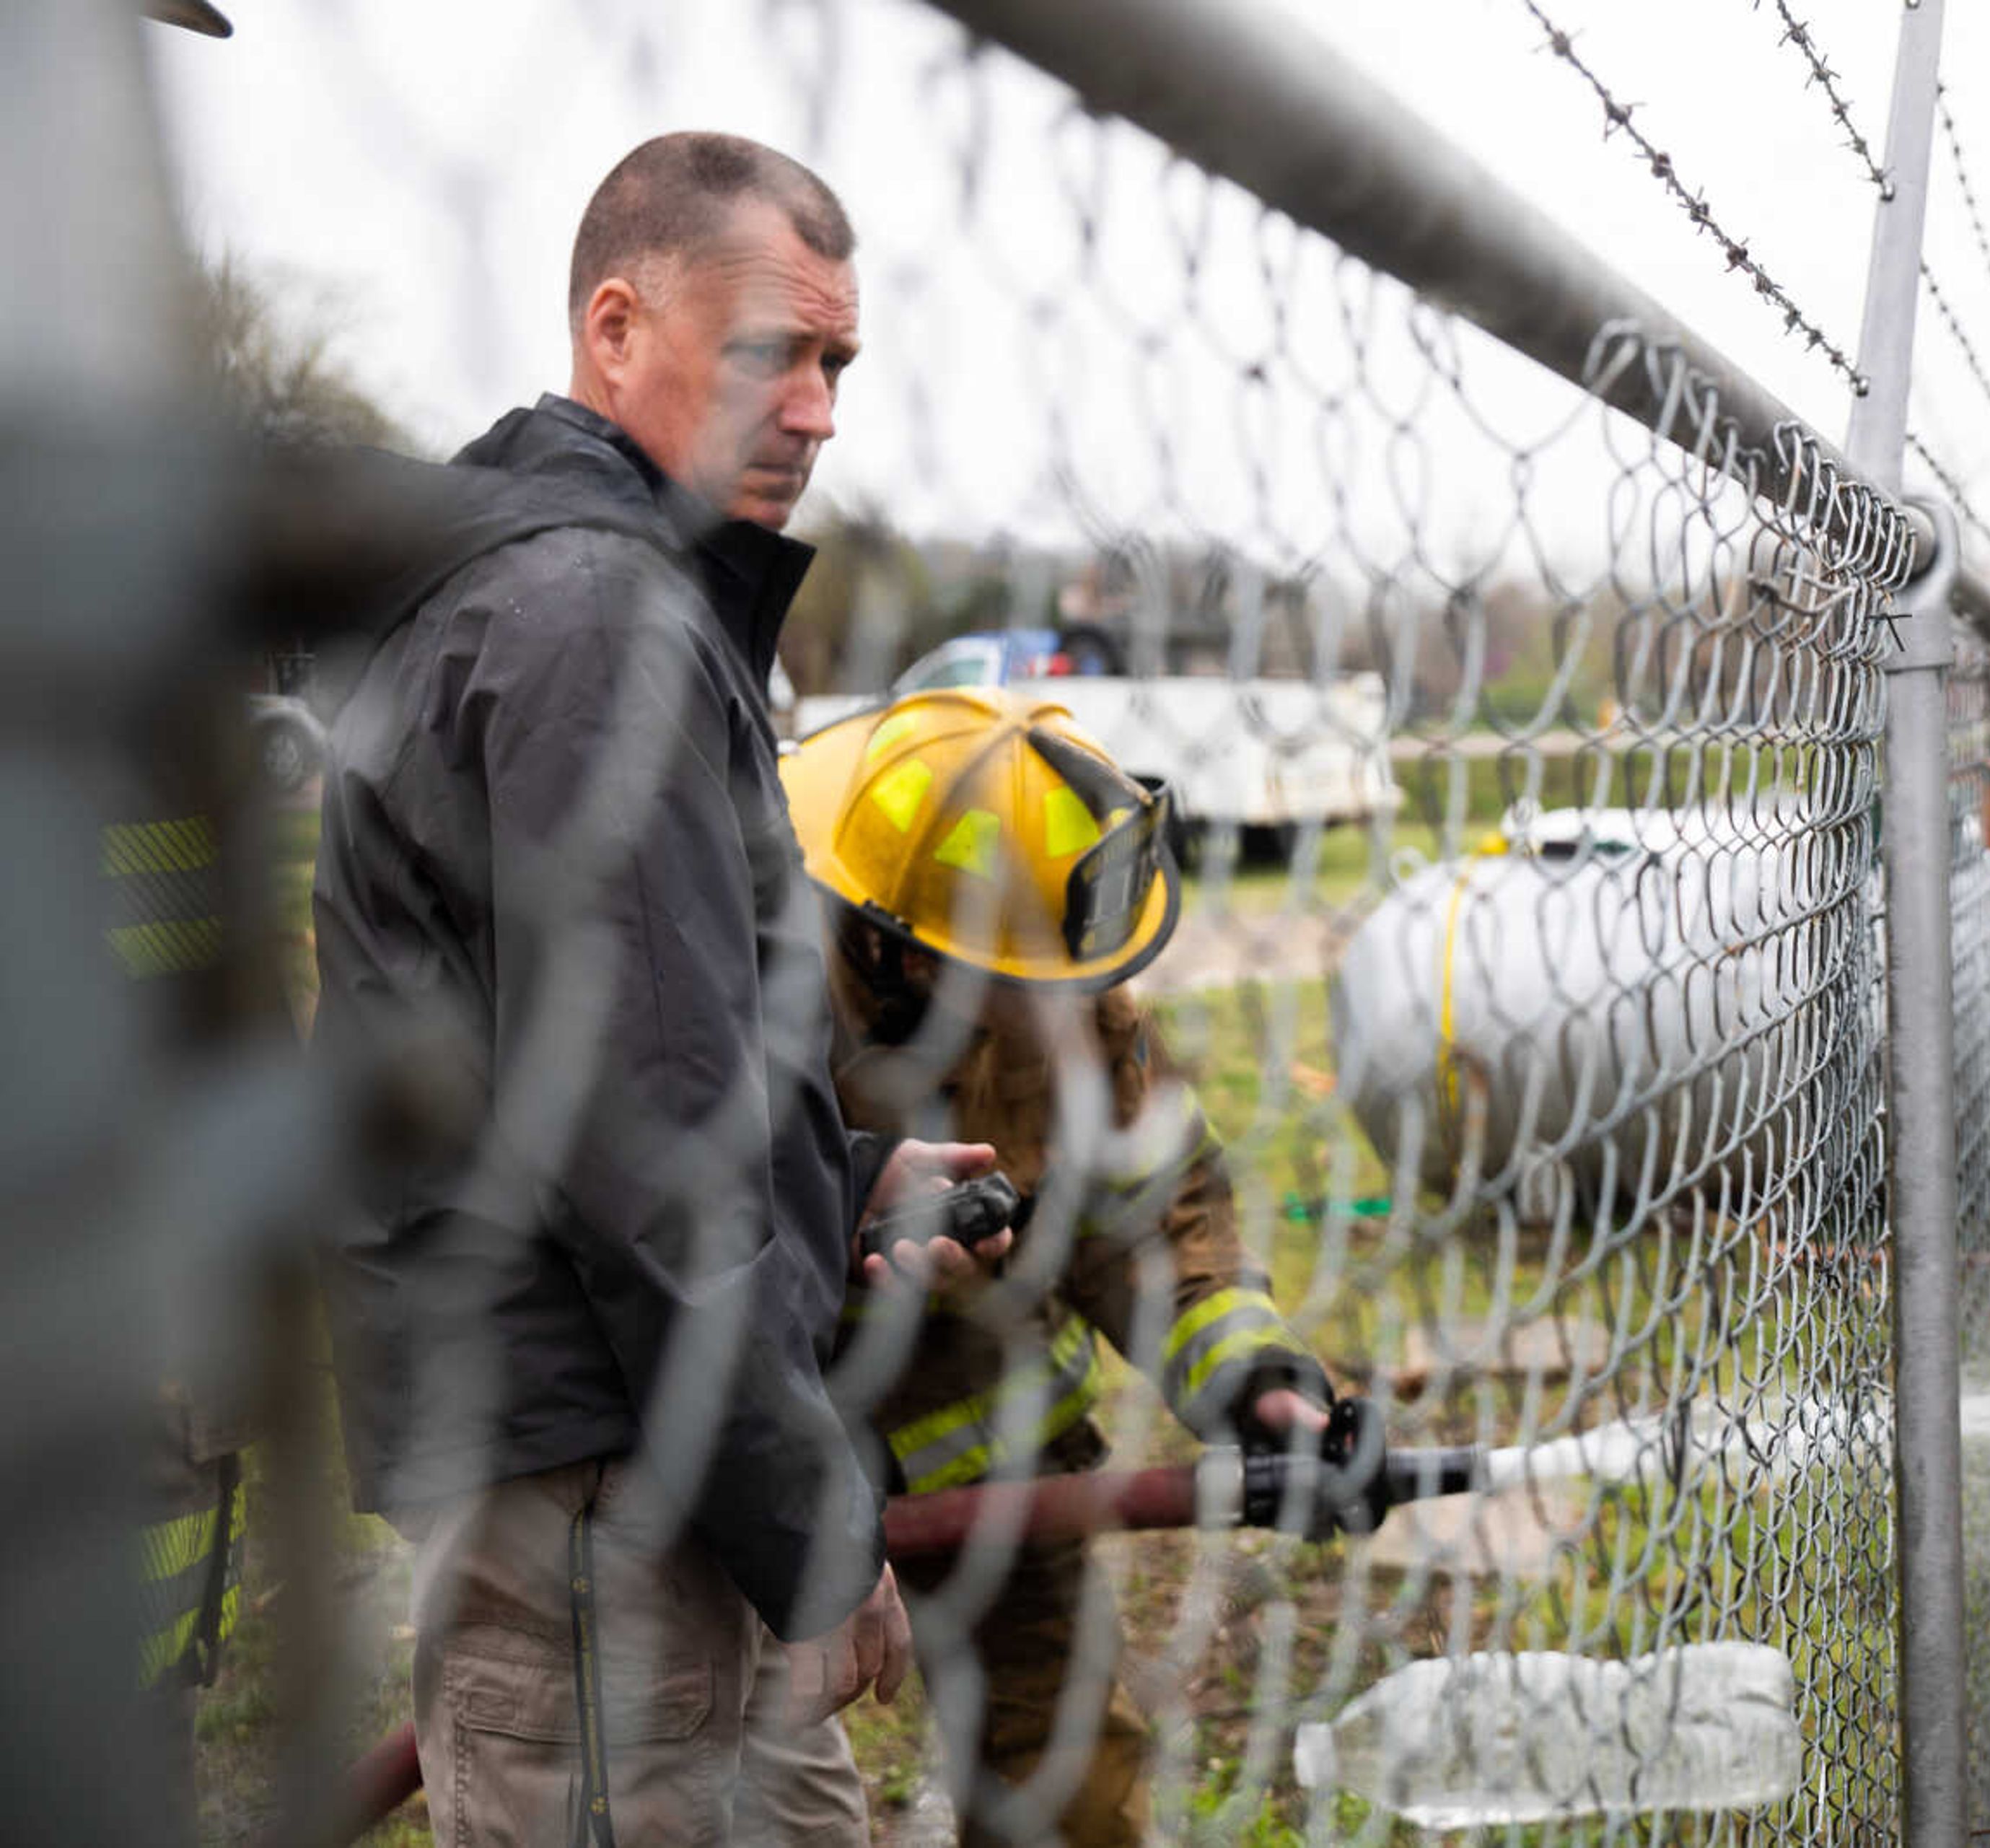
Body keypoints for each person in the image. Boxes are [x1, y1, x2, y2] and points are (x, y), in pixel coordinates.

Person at [312, 133, 991, 1845]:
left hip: (657, 1441)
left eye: (840, 364)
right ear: (616, 330)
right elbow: (647, 1157)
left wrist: (839, 1178)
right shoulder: (589, 620)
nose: (821, 411)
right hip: (607, 1478)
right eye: (777, 350)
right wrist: (814, 1533)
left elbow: (625, 1057)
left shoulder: (606, 593)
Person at [751, 688, 1341, 1847]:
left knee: (1064, 1783)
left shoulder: (1075, 1008)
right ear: (889, 947)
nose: (1063, 1011)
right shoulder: (740, 981)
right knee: (748, 1784)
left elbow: (1165, 1219)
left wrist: (1255, 1381)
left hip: (996, 1456)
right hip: (764, 1467)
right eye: (1010, 973)